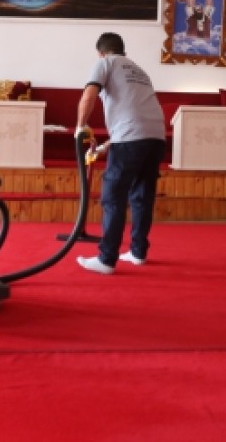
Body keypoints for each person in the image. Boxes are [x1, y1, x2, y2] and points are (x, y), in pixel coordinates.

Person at [74, 32, 167, 275]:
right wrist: (106, 145)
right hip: (157, 136)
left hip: (131, 138)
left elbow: (89, 95)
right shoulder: (139, 71)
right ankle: (138, 253)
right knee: (142, 195)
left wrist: (80, 126)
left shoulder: (105, 63)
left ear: (101, 52)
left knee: (113, 196)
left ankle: (106, 259)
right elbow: (136, 115)